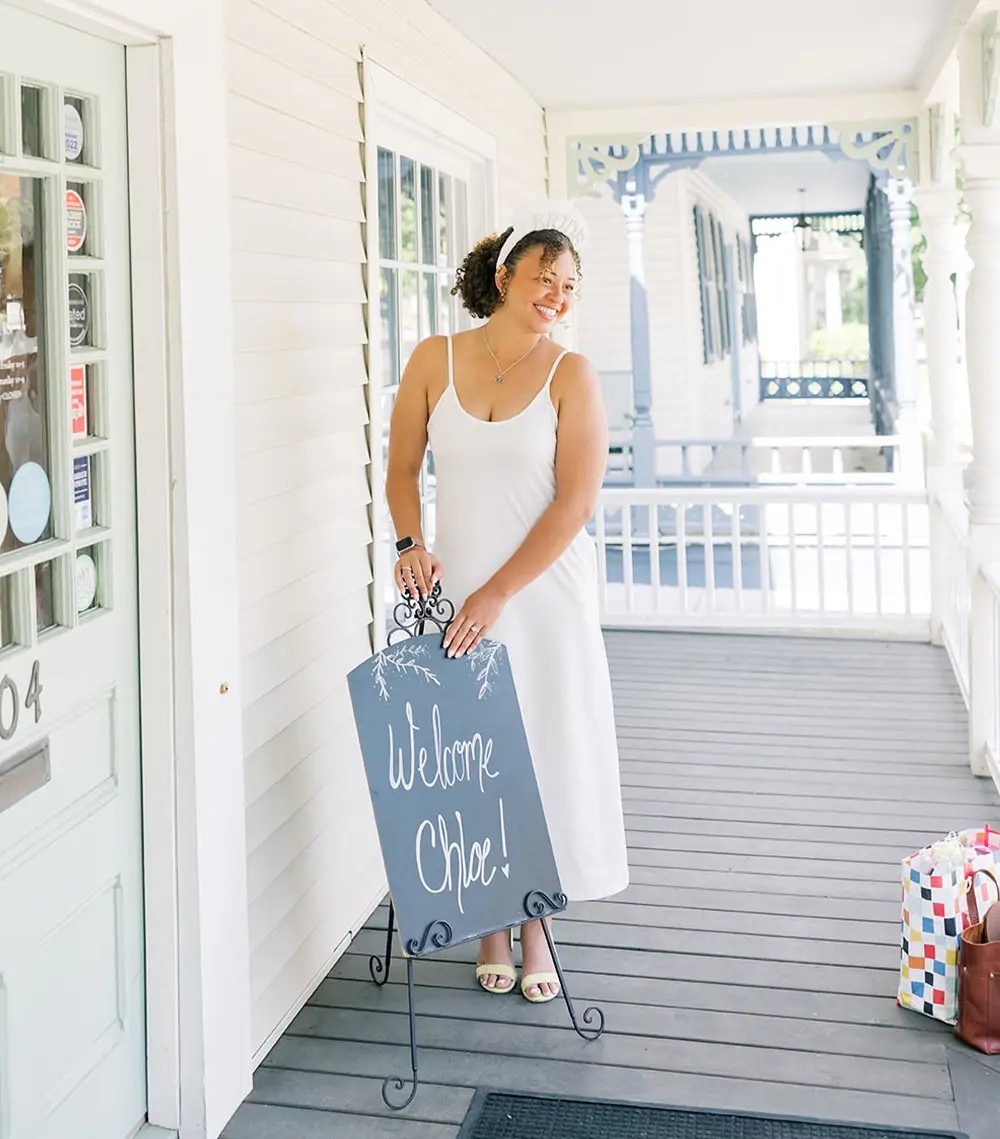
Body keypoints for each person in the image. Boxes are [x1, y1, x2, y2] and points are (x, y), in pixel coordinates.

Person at [385, 203, 629, 1004]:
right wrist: (409, 543)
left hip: (540, 596)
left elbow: (576, 502)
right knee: (474, 758)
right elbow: (400, 470)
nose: (556, 295)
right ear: (504, 276)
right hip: (457, 594)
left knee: (542, 755)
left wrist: (496, 592)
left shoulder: (572, 374)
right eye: (543, 279)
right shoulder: (433, 359)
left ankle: (535, 928)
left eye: (568, 285)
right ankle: (489, 919)